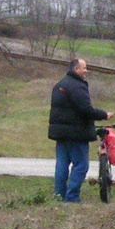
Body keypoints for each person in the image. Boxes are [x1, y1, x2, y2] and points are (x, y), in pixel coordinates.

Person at [48, 57, 109, 203]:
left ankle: (59, 195)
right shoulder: (78, 86)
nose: (86, 71)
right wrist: (104, 115)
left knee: (62, 164)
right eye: (84, 68)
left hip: (61, 134)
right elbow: (86, 110)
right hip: (76, 134)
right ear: (76, 70)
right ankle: (72, 197)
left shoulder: (59, 85)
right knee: (81, 165)